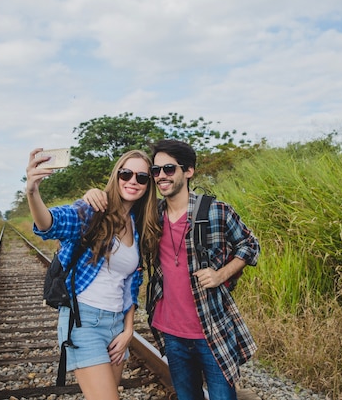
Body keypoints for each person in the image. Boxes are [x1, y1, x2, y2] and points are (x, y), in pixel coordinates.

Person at [84, 139, 260, 400]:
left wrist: (221, 274)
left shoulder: (214, 211)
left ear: (188, 171)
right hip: (171, 333)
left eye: (169, 169)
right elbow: (117, 207)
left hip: (210, 327)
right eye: (155, 171)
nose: (160, 177)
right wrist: (92, 194)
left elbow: (250, 244)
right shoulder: (150, 215)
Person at [26, 148, 161, 400]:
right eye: (126, 174)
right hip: (83, 322)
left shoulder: (139, 224)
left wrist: (128, 331)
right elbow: (50, 224)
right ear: (116, 175)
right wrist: (33, 192)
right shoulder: (92, 210)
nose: (133, 181)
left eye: (142, 177)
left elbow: (132, 284)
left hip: (116, 326)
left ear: (148, 184)